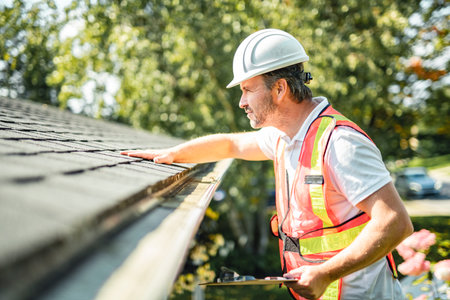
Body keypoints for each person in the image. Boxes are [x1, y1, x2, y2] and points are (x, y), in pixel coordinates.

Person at [121, 29, 413, 300]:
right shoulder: (284, 137)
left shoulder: (340, 143)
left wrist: (325, 273)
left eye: (248, 90)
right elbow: (230, 145)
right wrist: (172, 154)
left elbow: (395, 222)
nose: (241, 102)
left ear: (280, 89)